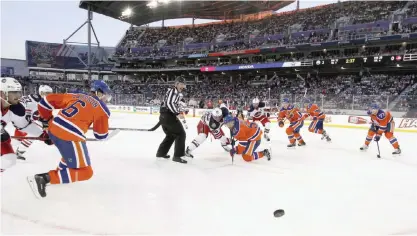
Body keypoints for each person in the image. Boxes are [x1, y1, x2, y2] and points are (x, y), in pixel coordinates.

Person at [27, 80, 111, 198]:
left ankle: (59, 179)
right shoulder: (102, 109)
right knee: (86, 172)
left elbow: (44, 103)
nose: (106, 100)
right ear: (99, 93)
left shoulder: (76, 95)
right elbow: (100, 135)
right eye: (106, 96)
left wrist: (47, 121)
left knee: (68, 157)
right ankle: (45, 178)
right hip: (70, 135)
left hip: (53, 128)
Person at [1, 77, 50, 172]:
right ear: (2, 93)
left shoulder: (15, 109)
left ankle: (19, 151)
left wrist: (42, 135)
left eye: (18, 92)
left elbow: (24, 125)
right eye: (13, 93)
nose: (18, 96)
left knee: (9, 160)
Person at [14, 85, 53, 160]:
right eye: (46, 93)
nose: (48, 95)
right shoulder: (35, 101)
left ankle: (19, 152)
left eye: (49, 93)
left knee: (34, 135)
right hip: (21, 121)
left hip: (26, 121)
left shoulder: (41, 101)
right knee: (40, 134)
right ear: (40, 93)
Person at [156, 77, 187, 164]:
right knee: (181, 134)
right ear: (176, 84)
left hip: (164, 117)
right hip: (168, 116)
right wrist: (177, 113)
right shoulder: (173, 91)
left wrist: (178, 110)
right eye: (181, 84)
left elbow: (171, 103)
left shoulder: (174, 92)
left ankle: (161, 153)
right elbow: (170, 103)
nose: (182, 86)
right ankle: (178, 156)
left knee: (170, 135)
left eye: (183, 84)